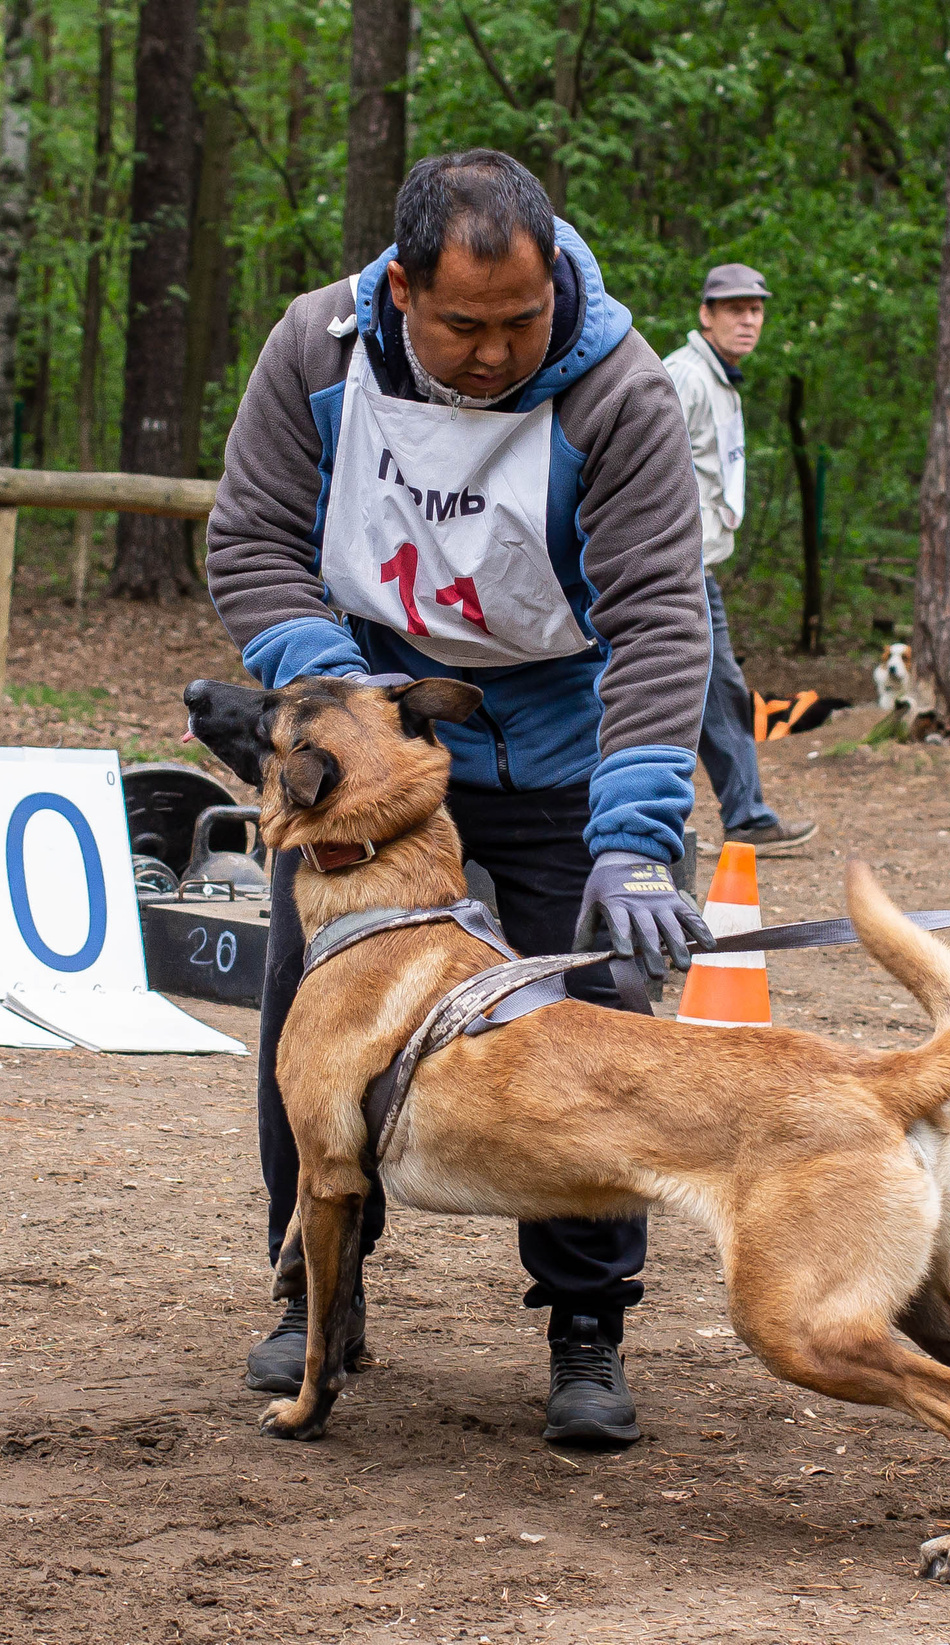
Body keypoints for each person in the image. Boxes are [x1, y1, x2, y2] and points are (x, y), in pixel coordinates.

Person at [204, 150, 711, 1448]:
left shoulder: (620, 392)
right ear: (400, 286)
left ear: (556, 290)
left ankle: (586, 1327)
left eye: (520, 324)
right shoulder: (314, 351)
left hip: (554, 754)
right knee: (310, 1034)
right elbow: (251, 536)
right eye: (464, 326)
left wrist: (638, 842)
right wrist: (336, 699)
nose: (492, 356)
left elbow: (660, 620)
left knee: (591, 1039)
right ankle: (318, 1295)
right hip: (372, 756)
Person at [661, 265, 817, 854]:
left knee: (713, 691)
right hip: (673, 568)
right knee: (695, 687)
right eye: (734, 309)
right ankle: (731, 817)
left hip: (697, 565)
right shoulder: (686, 376)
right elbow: (642, 461)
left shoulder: (719, 380)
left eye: (755, 309)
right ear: (706, 314)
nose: (748, 320)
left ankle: (744, 816)